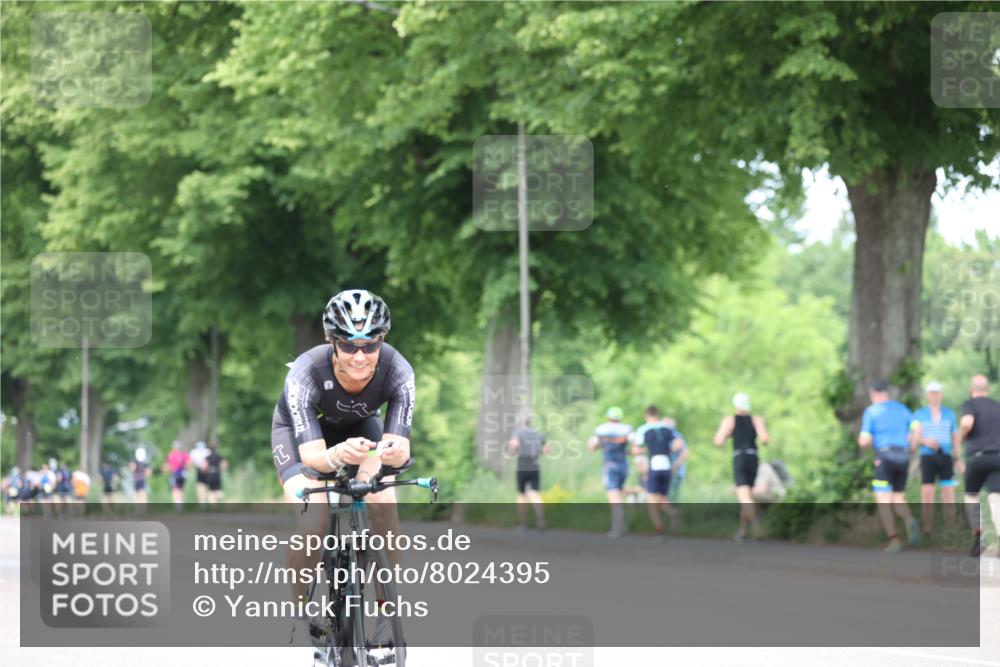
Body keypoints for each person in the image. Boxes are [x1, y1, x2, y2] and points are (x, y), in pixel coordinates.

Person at [271, 289, 414, 634]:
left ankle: (384, 607)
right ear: (330, 341)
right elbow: (314, 459)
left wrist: (391, 453)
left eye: (370, 345)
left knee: (383, 502)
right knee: (314, 523)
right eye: (349, 345)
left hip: (362, 430)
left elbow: (400, 446)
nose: (360, 356)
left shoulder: (398, 370)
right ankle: (301, 609)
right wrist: (336, 455)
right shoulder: (305, 372)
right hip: (300, 437)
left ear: (383, 340)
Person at [858, 380, 920, 553]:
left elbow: (863, 440)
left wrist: (870, 442)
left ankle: (894, 541)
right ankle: (909, 520)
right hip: (903, 456)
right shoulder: (901, 409)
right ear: (887, 392)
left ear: (873, 394)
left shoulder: (871, 411)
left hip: (884, 456)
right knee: (898, 497)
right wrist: (912, 447)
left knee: (883, 500)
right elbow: (917, 428)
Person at [954, 375, 1000, 558]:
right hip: (998, 457)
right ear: (986, 390)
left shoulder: (970, 404)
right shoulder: (997, 406)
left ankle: (978, 538)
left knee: (971, 496)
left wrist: (962, 435)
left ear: (972, 390)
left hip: (978, 457)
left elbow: (966, 423)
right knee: (996, 499)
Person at [714, 392, 769, 542]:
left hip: (740, 457)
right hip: (753, 457)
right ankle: (743, 531)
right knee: (747, 496)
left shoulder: (730, 420)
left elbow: (718, 440)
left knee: (743, 495)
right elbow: (765, 439)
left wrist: (730, 432)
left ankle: (757, 525)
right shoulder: (756, 419)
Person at [911, 381, 959, 537]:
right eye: (932, 393)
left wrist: (958, 458)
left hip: (945, 456)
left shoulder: (950, 414)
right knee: (927, 492)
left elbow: (955, 437)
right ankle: (927, 528)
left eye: (937, 392)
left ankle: (951, 526)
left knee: (948, 491)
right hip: (927, 456)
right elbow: (913, 437)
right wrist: (926, 441)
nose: (934, 395)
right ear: (927, 395)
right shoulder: (919, 414)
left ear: (941, 394)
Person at [632, 406, 683, 540]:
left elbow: (636, 450)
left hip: (654, 465)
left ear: (647, 416)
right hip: (667, 465)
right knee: (662, 499)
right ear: (658, 415)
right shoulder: (668, 428)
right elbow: (678, 445)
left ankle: (660, 531)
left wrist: (647, 450)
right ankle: (673, 513)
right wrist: (667, 450)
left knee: (651, 502)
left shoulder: (643, 429)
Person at [588, 406, 632, 538]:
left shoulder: (602, 429)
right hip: (624, 466)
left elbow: (591, 446)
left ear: (608, 418)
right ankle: (622, 524)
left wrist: (604, 444)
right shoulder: (627, 429)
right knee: (620, 495)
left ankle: (616, 528)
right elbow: (636, 445)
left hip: (610, 466)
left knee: (614, 498)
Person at [506, 416, 551, 533]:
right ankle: (540, 517)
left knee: (522, 496)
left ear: (521, 422)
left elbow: (514, 445)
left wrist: (509, 456)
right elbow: (546, 449)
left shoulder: (518, 432)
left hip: (522, 465)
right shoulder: (538, 433)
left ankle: (523, 524)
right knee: (535, 493)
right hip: (535, 466)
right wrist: (537, 453)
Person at [664, 416, 689, 504]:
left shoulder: (675, 436)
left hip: (675, 471)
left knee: (670, 498)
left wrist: (675, 465)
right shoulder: (675, 435)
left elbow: (685, 453)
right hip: (671, 470)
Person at [164, 441, 190, 509]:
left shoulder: (171, 455)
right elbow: (189, 463)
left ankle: (178, 506)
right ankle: (182, 504)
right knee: (181, 490)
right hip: (183, 474)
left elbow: (167, 466)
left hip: (174, 474)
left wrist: (166, 473)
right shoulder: (184, 454)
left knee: (175, 490)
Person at [190, 441, 211, 506]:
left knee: (200, 487)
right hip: (206, 470)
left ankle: (203, 502)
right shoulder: (207, 451)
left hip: (200, 470)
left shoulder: (194, 452)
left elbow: (191, 462)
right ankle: (206, 502)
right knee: (205, 487)